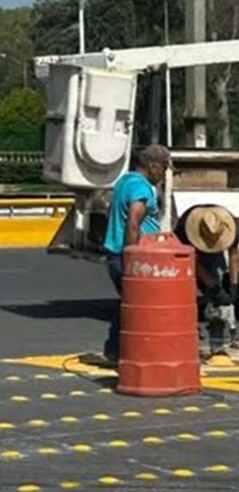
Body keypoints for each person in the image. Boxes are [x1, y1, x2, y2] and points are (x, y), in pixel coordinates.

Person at [98, 144, 171, 363]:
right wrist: (133, 257)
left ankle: (115, 350)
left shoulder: (124, 181)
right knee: (139, 306)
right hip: (129, 257)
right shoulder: (141, 188)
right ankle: (127, 352)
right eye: (164, 167)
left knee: (129, 304)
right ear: (153, 166)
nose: (165, 173)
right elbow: (133, 222)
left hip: (115, 254)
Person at [175, 204, 239, 353]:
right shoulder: (185, 228)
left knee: (218, 302)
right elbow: (192, 261)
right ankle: (186, 341)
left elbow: (234, 254)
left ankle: (216, 345)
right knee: (184, 296)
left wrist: (233, 285)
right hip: (185, 255)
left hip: (213, 256)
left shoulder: (228, 224)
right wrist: (213, 286)